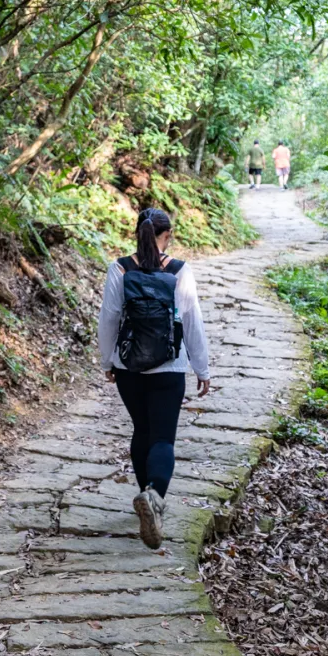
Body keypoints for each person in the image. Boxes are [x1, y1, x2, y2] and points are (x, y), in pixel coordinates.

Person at [97, 208, 210, 549]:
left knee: (142, 431)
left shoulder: (119, 268)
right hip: (170, 367)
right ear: (167, 235)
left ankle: (145, 496)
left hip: (129, 367)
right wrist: (202, 368)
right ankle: (154, 497)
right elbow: (191, 320)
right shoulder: (178, 270)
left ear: (137, 233)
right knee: (163, 438)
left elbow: (109, 317)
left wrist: (107, 360)